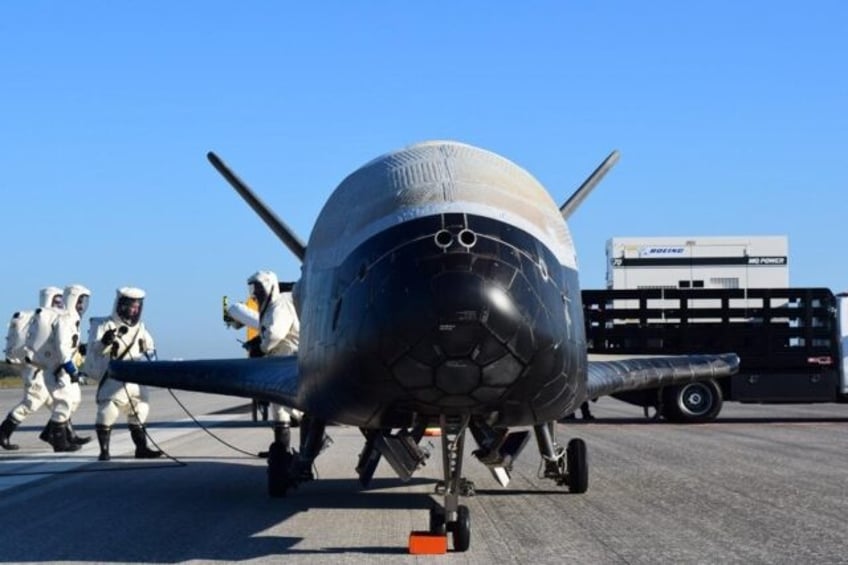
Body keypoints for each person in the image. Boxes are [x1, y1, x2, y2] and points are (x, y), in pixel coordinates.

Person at [87, 287, 162, 461]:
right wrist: (105, 342)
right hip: (115, 377)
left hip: (136, 378)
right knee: (108, 412)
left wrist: (155, 366)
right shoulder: (104, 325)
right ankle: (104, 451)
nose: (133, 310)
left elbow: (150, 349)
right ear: (120, 305)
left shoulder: (141, 328)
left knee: (140, 411)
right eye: (130, 306)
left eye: (136, 307)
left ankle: (141, 448)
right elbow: (95, 350)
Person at [0, 286, 65, 450]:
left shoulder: (51, 319)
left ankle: (59, 436)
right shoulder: (39, 320)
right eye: (56, 301)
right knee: (32, 401)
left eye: (61, 301)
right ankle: (3, 434)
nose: (60, 305)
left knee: (59, 401)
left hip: (44, 367)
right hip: (35, 368)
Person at [244, 270, 301, 454]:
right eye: (254, 288)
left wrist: (260, 348)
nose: (255, 292)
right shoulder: (270, 307)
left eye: (259, 287)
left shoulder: (280, 306)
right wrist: (257, 342)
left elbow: (275, 334)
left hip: (288, 360)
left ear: (270, 286)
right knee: (279, 410)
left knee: (293, 407)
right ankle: (281, 449)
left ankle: (311, 442)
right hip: (278, 360)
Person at [36, 284, 92, 452]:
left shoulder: (73, 319)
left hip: (64, 369)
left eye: (83, 302)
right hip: (57, 370)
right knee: (64, 402)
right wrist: (70, 368)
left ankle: (49, 432)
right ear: (72, 299)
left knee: (74, 400)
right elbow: (61, 347)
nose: (82, 305)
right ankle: (59, 441)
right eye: (79, 301)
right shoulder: (64, 319)